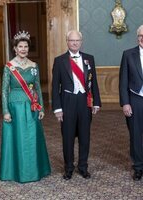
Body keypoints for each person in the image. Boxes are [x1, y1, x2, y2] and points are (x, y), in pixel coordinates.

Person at [0, 31, 51, 183]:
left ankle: (35, 170)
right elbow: (4, 90)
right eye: (20, 46)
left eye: (26, 46)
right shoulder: (9, 67)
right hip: (15, 106)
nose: (23, 49)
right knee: (18, 138)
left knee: (32, 137)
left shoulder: (34, 66)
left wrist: (41, 108)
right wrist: (5, 111)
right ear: (15, 48)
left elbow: (38, 88)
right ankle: (17, 172)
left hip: (31, 106)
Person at [52, 30, 101, 180]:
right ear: (67, 41)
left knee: (85, 136)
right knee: (67, 137)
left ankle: (83, 167)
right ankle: (68, 168)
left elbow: (94, 83)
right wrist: (57, 108)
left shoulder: (89, 59)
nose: (74, 43)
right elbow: (55, 87)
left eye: (77, 40)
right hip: (67, 101)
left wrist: (97, 102)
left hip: (84, 102)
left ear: (81, 42)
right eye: (71, 40)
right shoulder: (59, 60)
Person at [119, 25, 143, 181]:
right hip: (135, 100)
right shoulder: (128, 54)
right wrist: (125, 103)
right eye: (141, 35)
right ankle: (139, 167)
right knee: (135, 135)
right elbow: (123, 81)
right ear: (137, 37)